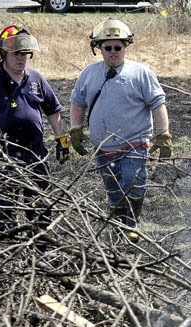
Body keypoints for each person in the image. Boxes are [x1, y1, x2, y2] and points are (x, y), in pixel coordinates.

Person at [69, 18, 171, 240]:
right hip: (104, 145)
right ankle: (118, 223)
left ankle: (132, 223)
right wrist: (75, 129)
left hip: (134, 141)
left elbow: (157, 103)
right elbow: (78, 102)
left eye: (118, 47)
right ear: (100, 48)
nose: (113, 52)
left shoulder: (141, 72)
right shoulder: (88, 74)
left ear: (125, 47)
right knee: (113, 186)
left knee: (133, 180)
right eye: (108, 47)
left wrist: (163, 134)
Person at [0, 25, 68, 233]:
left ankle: (40, 247)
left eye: (25, 54)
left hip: (35, 153)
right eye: (16, 54)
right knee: (5, 205)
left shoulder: (36, 79)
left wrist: (61, 140)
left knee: (39, 206)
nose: (21, 59)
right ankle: (7, 250)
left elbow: (52, 110)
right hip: (4, 154)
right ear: (3, 53)